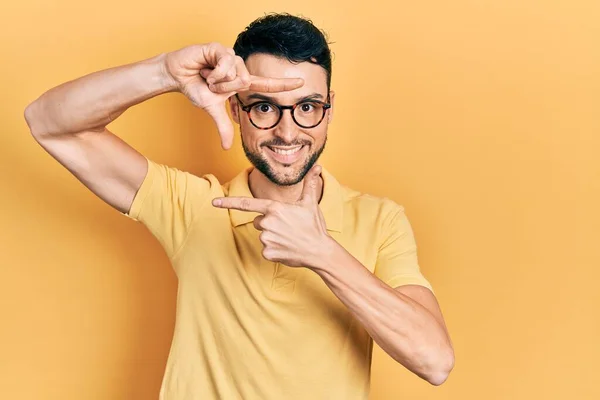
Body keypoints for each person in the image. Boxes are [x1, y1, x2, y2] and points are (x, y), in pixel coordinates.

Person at [24, 13, 454, 400]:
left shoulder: (381, 220)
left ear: (329, 110)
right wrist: (163, 72)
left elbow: (434, 361)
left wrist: (322, 253)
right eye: (265, 107)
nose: (288, 132)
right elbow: (49, 123)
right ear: (236, 109)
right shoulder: (193, 206)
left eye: (307, 106)